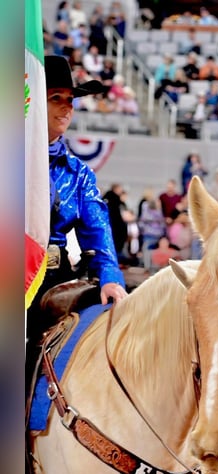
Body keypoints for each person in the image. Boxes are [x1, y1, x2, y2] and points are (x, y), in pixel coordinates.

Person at [28, 56, 127, 350]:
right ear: (31, 102)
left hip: (55, 283)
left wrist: (110, 277)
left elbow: (98, 231)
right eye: (55, 98)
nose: (66, 107)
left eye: (70, 99)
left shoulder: (79, 173)